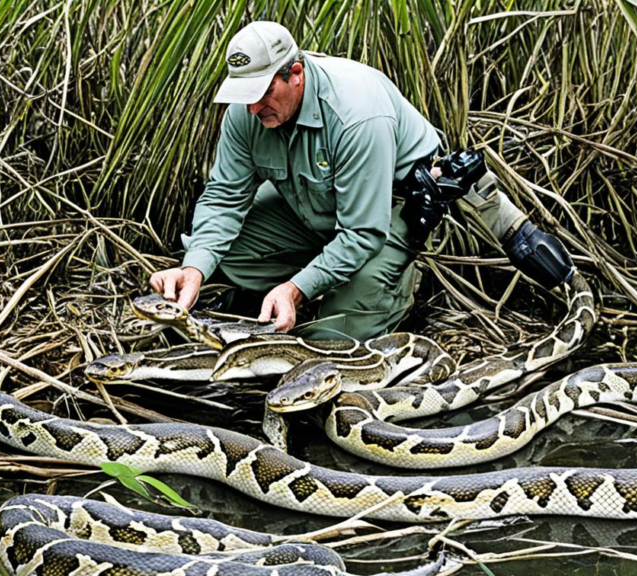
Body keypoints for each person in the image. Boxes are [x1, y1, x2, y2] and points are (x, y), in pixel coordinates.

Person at [150, 21, 569, 340]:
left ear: (295, 73)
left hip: (385, 216)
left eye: (262, 92)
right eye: (244, 94)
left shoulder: (357, 115)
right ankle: (312, 275)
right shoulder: (247, 112)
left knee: (331, 338)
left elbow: (363, 231)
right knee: (213, 253)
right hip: (310, 211)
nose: (253, 107)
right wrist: (195, 268)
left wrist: (296, 289)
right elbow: (224, 197)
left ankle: (398, 284)